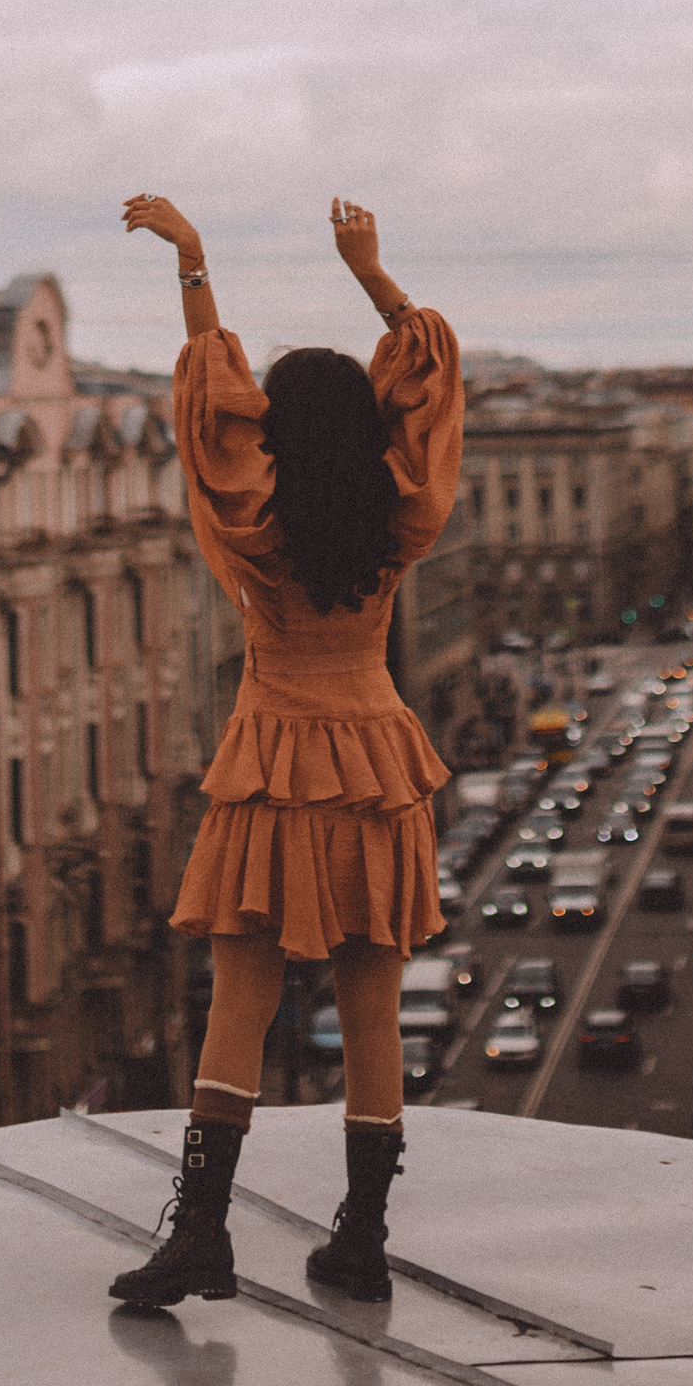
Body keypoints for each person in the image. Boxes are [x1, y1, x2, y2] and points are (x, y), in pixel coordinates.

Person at [106, 191, 462, 1313]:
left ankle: (200, 1234)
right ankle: (363, 1239)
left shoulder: (255, 524)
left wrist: (194, 261)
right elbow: (429, 384)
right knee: (372, 1009)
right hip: (379, 765)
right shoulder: (400, 515)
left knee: (240, 1000)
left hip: (273, 761)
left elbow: (212, 409)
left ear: (275, 431)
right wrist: (373, 274)